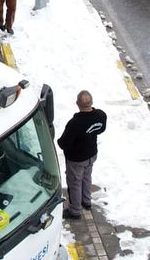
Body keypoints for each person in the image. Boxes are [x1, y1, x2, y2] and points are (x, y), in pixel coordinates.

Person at [57, 90, 107, 219]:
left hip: (77, 159)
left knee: (75, 182)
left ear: (77, 104)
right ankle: (86, 201)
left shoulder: (75, 123)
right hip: (91, 154)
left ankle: (75, 210)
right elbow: (101, 129)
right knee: (86, 177)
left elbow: (63, 143)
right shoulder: (101, 115)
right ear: (92, 102)